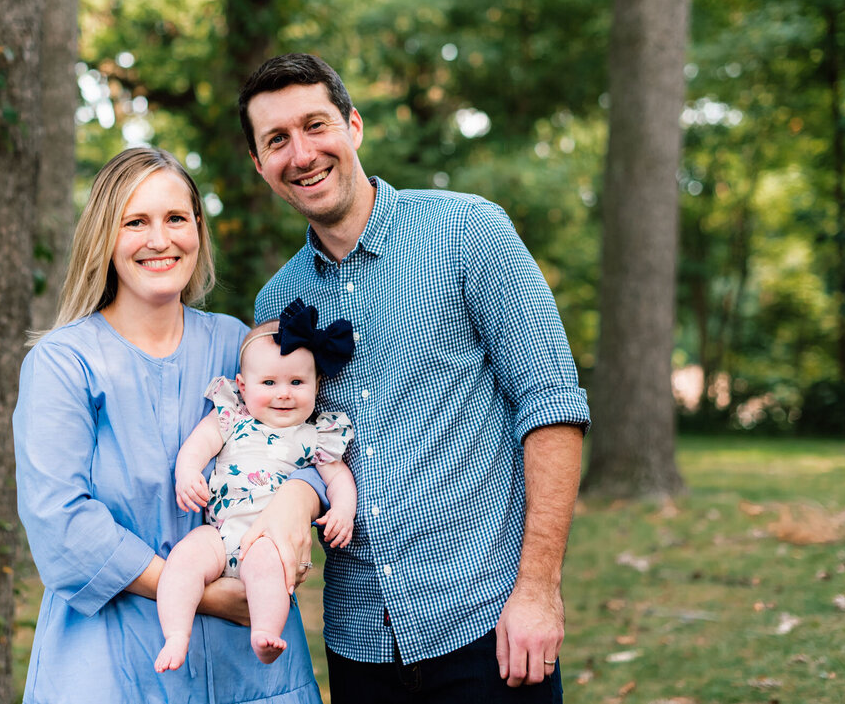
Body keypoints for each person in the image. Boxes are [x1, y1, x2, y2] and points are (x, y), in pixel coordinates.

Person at [235, 54, 592, 703]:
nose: (302, 152)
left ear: (354, 125)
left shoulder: (469, 231)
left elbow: (552, 405)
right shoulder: (276, 305)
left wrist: (539, 588)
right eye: (277, 140)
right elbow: (289, 446)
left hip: (488, 624)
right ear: (260, 166)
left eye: (316, 125)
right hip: (358, 642)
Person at [12, 147, 322, 703]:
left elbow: (305, 442)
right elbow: (60, 522)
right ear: (105, 237)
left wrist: (300, 496)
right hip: (110, 660)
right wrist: (201, 595)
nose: (160, 239)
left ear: (198, 230)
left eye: (176, 218)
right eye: (136, 222)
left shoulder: (238, 345)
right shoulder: (64, 363)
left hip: (248, 659)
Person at [155, 302, 357, 671]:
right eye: (269, 383)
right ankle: (176, 635)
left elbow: (338, 477)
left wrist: (343, 509)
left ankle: (264, 632)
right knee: (183, 561)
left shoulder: (314, 435)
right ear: (243, 387)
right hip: (217, 534)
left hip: (266, 540)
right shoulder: (231, 418)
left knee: (268, 570)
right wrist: (187, 474)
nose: (283, 393)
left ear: (316, 386)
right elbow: (197, 447)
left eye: (297, 383)